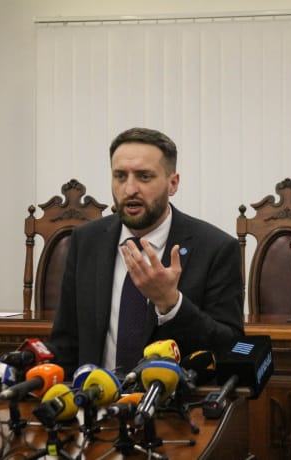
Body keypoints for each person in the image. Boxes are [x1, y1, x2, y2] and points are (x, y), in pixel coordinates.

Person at [48, 127, 244, 378]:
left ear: (173, 183)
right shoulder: (86, 241)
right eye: (120, 176)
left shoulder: (216, 248)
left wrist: (171, 304)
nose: (130, 189)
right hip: (95, 396)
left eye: (144, 177)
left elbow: (231, 348)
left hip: (173, 399)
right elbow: (66, 342)